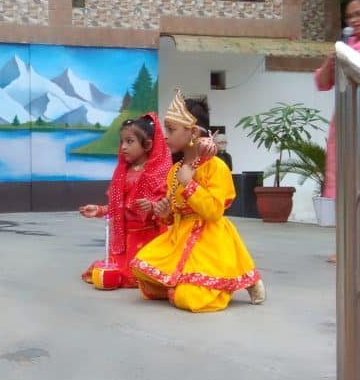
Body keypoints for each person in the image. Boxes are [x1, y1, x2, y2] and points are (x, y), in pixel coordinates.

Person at [130, 89, 265, 312]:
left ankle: (233, 280)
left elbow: (213, 211)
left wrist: (190, 185)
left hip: (208, 239)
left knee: (188, 299)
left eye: (171, 130)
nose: (166, 136)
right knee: (140, 268)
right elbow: (173, 214)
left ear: (192, 132)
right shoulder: (175, 170)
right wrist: (164, 212)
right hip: (180, 238)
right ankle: (189, 283)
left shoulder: (216, 167)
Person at [79, 113, 171, 288]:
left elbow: (167, 207)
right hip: (125, 239)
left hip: (147, 238)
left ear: (147, 145)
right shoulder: (123, 172)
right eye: (122, 142)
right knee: (106, 271)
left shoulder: (157, 174)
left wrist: (153, 207)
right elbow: (119, 206)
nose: (123, 147)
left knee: (136, 273)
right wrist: (99, 210)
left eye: (129, 142)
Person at [315, 0, 360, 264]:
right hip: (347, 127)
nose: (354, 21)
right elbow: (322, 83)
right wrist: (332, 60)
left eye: (358, 15)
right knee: (347, 188)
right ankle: (346, 246)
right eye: (349, 16)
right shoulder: (343, 47)